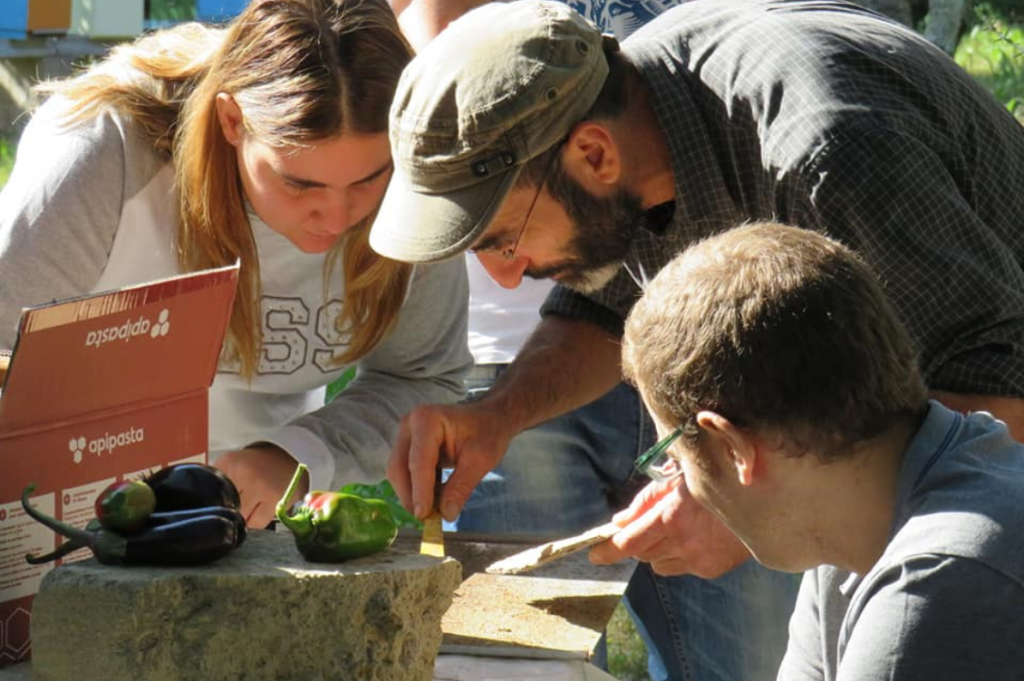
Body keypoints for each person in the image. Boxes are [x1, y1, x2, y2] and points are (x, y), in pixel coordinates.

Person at [369, 0, 1024, 678]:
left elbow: (1002, 397)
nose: (505, 278)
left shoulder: (826, 147)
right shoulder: (644, 117)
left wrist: (746, 499)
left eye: (503, 239)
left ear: (593, 153)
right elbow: (609, 300)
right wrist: (496, 415)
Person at [0, 0, 471, 528]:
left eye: (368, 178)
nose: (338, 216)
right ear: (230, 121)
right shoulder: (106, 147)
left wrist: (297, 456)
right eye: (299, 183)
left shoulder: (412, 182)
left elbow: (421, 375)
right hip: (55, 514)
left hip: (242, 522)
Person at [621, 221, 1024, 680]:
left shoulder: (936, 586)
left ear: (733, 448)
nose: (677, 481)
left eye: (672, 460)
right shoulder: (845, 533)